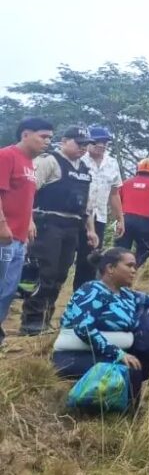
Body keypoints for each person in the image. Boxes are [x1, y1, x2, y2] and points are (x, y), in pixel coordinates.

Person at [52, 247, 149, 401]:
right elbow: (84, 327)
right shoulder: (92, 290)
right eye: (129, 265)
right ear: (110, 268)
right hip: (76, 356)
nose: (134, 270)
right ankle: (124, 418)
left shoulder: (129, 295)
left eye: (135, 266)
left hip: (113, 354)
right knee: (130, 369)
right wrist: (118, 353)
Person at [21, 126, 100, 337]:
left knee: (60, 274)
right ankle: (32, 320)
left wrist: (91, 231)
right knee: (45, 272)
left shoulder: (84, 169)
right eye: (78, 143)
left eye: (86, 145)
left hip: (72, 226)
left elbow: (88, 206)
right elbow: (28, 192)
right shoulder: (49, 161)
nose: (83, 148)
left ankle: (47, 316)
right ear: (64, 141)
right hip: (48, 223)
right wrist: (28, 222)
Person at [0, 118, 54, 347]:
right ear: (25, 134)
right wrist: (2, 224)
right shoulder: (6, 156)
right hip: (4, 237)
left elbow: (25, 197)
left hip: (19, 238)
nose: (48, 142)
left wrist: (29, 220)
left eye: (50, 138)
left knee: (9, 290)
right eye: (43, 136)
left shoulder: (31, 164)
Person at [72, 125, 124, 290]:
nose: (101, 145)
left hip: (99, 218)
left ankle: (82, 297)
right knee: (64, 259)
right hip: (74, 216)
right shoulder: (79, 160)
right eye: (97, 141)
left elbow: (114, 194)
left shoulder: (112, 163)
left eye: (105, 142)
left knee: (89, 261)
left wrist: (120, 219)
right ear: (88, 142)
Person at [116, 158, 149, 266]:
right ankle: (137, 277)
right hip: (145, 223)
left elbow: (116, 201)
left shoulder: (125, 183)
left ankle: (117, 277)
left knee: (120, 252)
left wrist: (118, 219)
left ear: (137, 169)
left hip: (125, 220)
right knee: (144, 254)